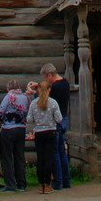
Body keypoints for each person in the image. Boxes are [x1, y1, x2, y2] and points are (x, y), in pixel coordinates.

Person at [39, 62, 71, 190]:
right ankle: (66, 180)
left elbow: (46, 100)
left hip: (56, 121)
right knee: (62, 152)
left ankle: (57, 181)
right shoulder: (65, 83)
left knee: (55, 152)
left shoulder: (55, 87)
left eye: (46, 78)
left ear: (50, 75)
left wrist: (38, 92)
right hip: (64, 118)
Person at [26, 81, 62, 194]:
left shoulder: (33, 103)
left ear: (38, 90)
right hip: (51, 132)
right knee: (49, 158)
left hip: (39, 133)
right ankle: (47, 184)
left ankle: (40, 184)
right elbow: (59, 119)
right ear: (49, 90)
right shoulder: (53, 103)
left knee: (40, 158)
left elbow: (29, 120)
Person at [0, 80, 30, 192]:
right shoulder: (25, 97)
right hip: (21, 128)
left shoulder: (9, 96)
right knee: (19, 156)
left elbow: (0, 112)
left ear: (8, 88)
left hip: (8, 129)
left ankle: (10, 184)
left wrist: (0, 119)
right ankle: (21, 183)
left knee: (7, 157)